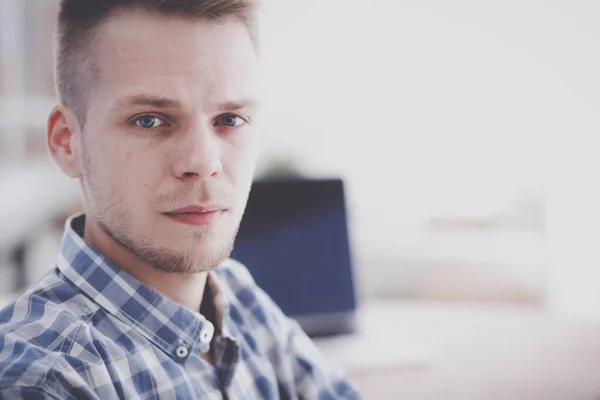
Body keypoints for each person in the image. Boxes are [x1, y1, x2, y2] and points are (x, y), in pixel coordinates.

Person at [0, 1, 363, 399]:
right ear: (67, 141)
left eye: (229, 119)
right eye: (150, 120)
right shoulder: (47, 382)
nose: (203, 163)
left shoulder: (235, 296)